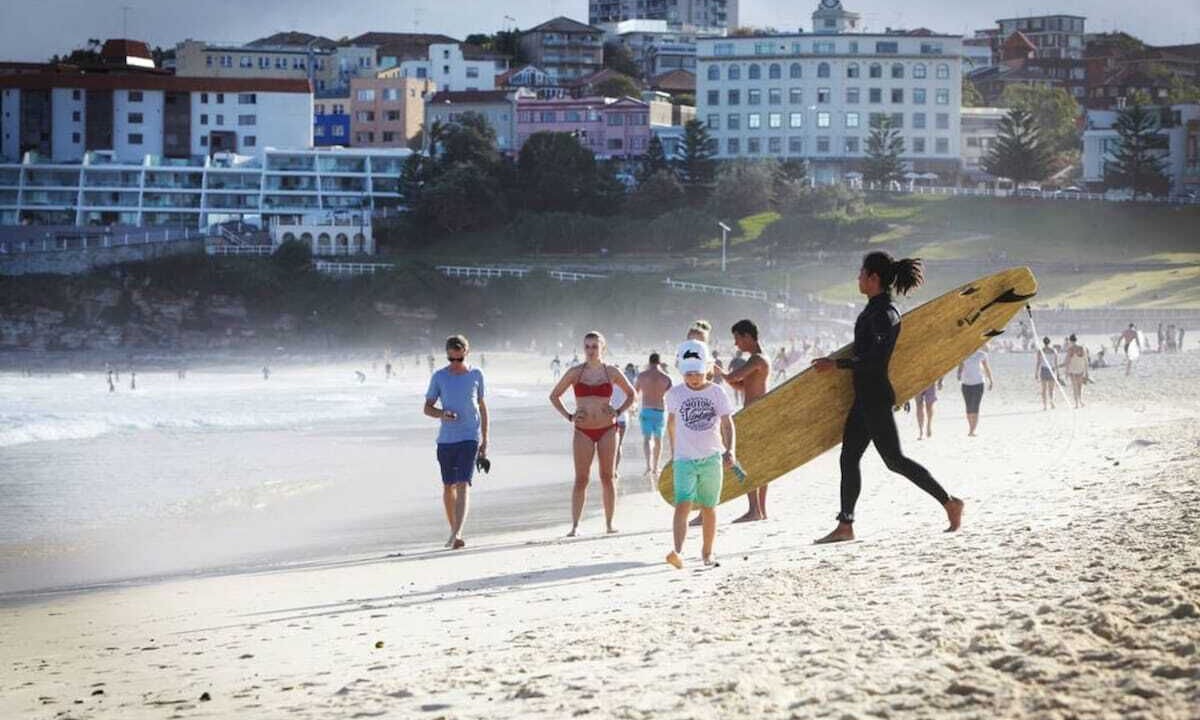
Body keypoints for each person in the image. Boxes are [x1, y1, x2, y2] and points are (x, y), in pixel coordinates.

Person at [812, 252, 963, 544]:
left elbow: (875, 360)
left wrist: (837, 365)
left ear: (873, 278)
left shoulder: (884, 314)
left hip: (876, 397)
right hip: (864, 397)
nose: (858, 278)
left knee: (894, 460)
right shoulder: (873, 310)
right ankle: (846, 524)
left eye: (861, 273)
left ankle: (949, 502)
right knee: (849, 458)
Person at [549, 332, 636, 537]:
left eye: (594, 346)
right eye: (587, 346)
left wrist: (618, 411)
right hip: (583, 430)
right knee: (581, 478)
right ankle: (576, 525)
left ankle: (609, 523)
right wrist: (569, 416)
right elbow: (554, 395)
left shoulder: (611, 371)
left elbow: (632, 394)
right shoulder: (575, 372)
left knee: (608, 476)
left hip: (607, 428)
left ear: (602, 348)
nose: (590, 351)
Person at [665, 339, 737, 569]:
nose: (693, 379)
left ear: (708, 368)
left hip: (712, 458)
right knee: (683, 503)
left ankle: (708, 553)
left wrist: (730, 450)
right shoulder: (675, 394)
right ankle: (678, 552)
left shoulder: (717, 393)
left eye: (697, 373)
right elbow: (672, 424)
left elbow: (727, 424)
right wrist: (674, 452)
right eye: (688, 375)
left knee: (709, 507)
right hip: (684, 459)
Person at [423, 334, 489, 550]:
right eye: (451, 359)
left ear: (467, 353)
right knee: (447, 486)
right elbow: (427, 408)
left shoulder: (477, 374)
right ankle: (454, 531)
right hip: (446, 440)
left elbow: (482, 407)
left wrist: (485, 440)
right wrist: (442, 414)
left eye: (459, 359)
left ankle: (457, 532)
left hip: (470, 436)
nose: (455, 364)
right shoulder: (439, 377)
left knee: (463, 483)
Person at [715, 319, 771, 523]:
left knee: (748, 460)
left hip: (754, 415)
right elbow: (744, 386)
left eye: (737, 338)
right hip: (759, 413)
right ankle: (760, 510)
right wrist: (730, 379)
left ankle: (754, 509)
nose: (736, 344)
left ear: (747, 336)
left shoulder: (756, 359)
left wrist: (718, 370)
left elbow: (731, 378)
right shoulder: (761, 359)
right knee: (760, 462)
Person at [635, 353, 672, 477]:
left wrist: (632, 408)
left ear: (649, 362)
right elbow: (671, 396)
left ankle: (648, 466)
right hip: (660, 410)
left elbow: (635, 393)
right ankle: (656, 467)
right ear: (660, 362)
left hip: (646, 409)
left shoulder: (641, 376)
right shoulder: (666, 378)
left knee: (647, 439)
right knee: (658, 440)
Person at [957, 346, 994, 437]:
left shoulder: (981, 354)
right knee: (969, 407)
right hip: (966, 384)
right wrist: (958, 374)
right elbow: (960, 366)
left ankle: (972, 430)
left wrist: (991, 380)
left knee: (975, 406)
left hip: (978, 383)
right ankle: (970, 427)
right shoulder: (963, 355)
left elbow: (986, 368)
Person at [610, 380, 632, 479]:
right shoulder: (625, 387)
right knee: (618, 445)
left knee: (607, 446)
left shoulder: (607, 386)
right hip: (622, 417)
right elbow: (632, 400)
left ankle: (609, 469)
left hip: (609, 418)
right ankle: (615, 470)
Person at [1063, 334, 1089, 408]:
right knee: (1080, 386)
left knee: (1074, 387)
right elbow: (1086, 360)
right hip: (1081, 369)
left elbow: (1067, 361)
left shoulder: (1070, 349)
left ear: (1070, 341)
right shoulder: (1082, 348)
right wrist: (1087, 372)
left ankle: (1077, 403)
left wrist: (1066, 371)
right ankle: (1080, 400)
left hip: (1073, 370)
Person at [1035, 336, 1059, 411]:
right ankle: (1052, 403)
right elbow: (1056, 362)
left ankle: (1045, 405)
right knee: (1051, 389)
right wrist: (1058, 373)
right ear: (1049, 342)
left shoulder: (1041, 351)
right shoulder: (1054, 350)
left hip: (1044, 370)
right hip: (1052, 369)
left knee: (1044, 389)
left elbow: (1038, 362)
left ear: (1043, 342)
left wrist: (1036, 372)